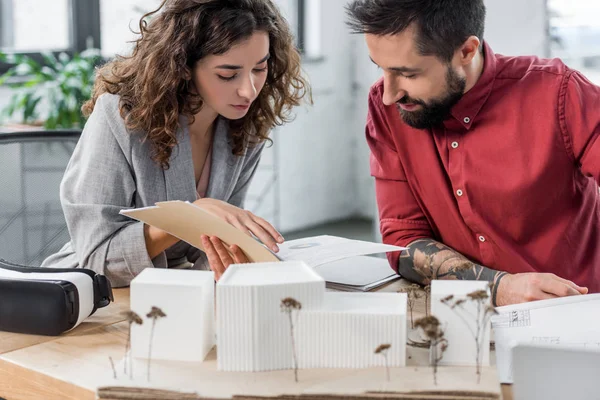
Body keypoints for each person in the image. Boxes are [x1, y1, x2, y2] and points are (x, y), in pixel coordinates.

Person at [346, 0, 599, 306]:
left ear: (465, 51)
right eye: (382, 68)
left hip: (574, 317)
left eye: (409, 74)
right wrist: (497, 287)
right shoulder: (388, 108)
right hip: (458, 318)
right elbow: (403, 240)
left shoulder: (560, 94)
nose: (389, 93)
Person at [41, 0, 310, 286]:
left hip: (175, 287)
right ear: (183, 66)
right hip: (90, 291)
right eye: (228, 75)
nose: (248, 90)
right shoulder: (120, 116)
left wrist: (233, 259)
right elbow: (99, 257)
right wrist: (190, 218)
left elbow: (214, 245)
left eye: (259, 68)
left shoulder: (246, 127)